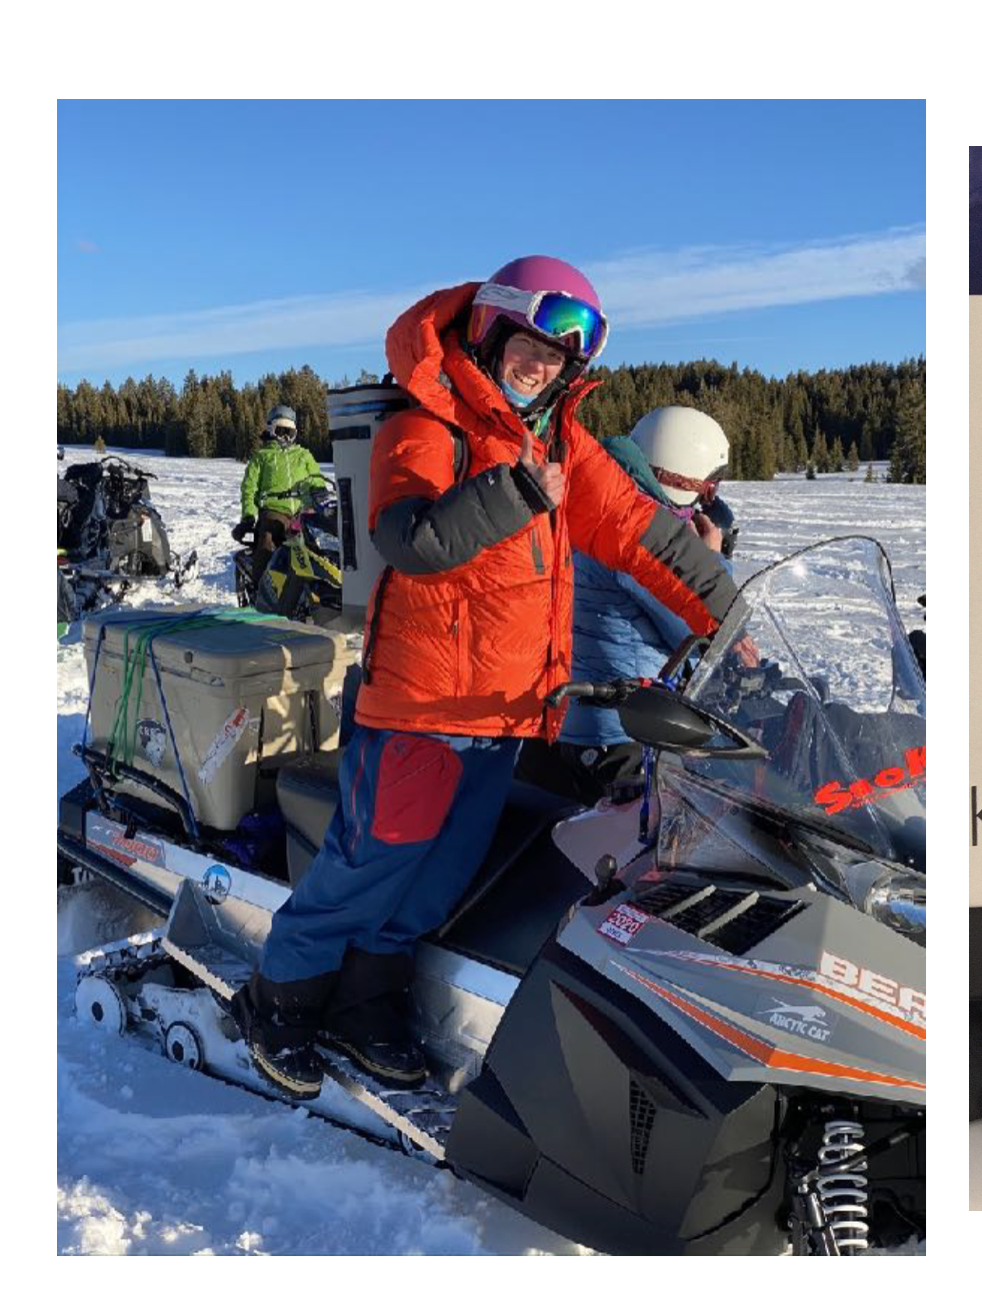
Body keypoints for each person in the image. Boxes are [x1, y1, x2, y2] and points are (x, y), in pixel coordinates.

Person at [230, 256, 737, 1099]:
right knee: (367, 869)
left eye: (558, 357)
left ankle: (366, 1004)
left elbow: (646, 534)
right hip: (420, 708)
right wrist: (515, 495)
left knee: (436, 882)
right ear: (491, 332)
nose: (541, 367)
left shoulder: (559, 444)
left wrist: (731, 610)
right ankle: (276, 1001)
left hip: (503, 715)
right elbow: (410, 539)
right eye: (528, 348)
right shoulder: (430, 424)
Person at [517, 405, 735, 804]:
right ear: (685, 476)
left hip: (568, 723)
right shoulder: (640, 537)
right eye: (709, 487)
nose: (710, 501)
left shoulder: (597, 508)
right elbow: (704, 637)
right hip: (623, 734)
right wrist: (712, 558)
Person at [234, 406, 328, 594]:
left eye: (289, 432)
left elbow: (316, 477)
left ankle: (323, 589)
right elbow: (249, 489)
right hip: (274, 510)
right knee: (268, 538)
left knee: (318, 546)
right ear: (271, 430)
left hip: (303, 512)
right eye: (280, 431)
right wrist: (248, 517)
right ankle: (261, 589)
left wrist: (319, 492)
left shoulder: (303, 455)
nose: (285, 437)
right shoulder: (262, 457)